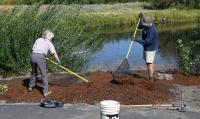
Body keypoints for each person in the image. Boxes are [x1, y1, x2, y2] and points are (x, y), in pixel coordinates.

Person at [29, 30, 61, 97]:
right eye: (51, 37)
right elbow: (54, 53)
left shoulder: (38, 39)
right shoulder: (49, 43)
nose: (52, 39)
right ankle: (45, 92)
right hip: (40, 57)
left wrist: (42, 55)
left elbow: (33, 49)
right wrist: (58, 60)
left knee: (34, 72)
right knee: (44, 75)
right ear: (49, 37)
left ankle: (30, 87)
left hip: (33, 56)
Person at [134, 16, 158, 81]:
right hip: (147, 48)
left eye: (145, 24)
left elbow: (146, 42)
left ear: (149, 23)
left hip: (150, 48)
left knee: (149, 63)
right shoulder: (147, 26)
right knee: (150, 61)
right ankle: (154, 74)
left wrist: (135, 40)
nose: (144, 25)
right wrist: (138, 23)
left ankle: (151, 78)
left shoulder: (152, 31)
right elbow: (140, 26)